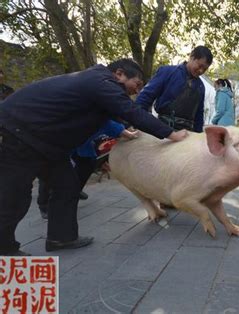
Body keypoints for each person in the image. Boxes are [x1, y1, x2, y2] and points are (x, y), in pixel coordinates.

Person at [0, 58, 188, 256]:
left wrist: (123, 132)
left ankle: (61, 237)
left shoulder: (98, 85)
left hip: (49, 143)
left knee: (67, 185)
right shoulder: (102, 81)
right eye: (137, 84)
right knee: (15, 195)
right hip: (22, 132)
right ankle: (4, 247)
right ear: (120, 74)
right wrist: (171, 134)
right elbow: (132, 112)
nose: (137, 91)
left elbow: (109, 117)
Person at [37, 120, 138, 219]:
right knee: (51, 170)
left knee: (88, 162)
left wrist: (128, 129)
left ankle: (73, 190)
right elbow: (108, 123)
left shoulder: (101, 115)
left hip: (81, 139)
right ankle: (44, 204)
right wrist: (128, 133)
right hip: (56, 137)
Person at [135, 45, 213, 132]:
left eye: (205, 69)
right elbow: (145, 97)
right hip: (163, 129)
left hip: (187, 134)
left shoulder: (201, 86)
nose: (201, 71)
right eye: (200, 66)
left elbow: (199, 114)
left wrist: (198, 135)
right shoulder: (167, 72)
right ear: (192, 57)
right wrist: (137, 121)